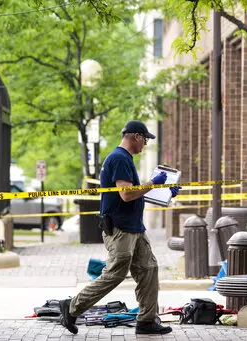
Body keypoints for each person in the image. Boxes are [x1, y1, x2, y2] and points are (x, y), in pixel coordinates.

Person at [59, 120, 181, 335]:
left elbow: (133, 192)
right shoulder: (119, 158)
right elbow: (126, 194)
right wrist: (152, 183)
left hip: (135, 228)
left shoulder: (125, 159)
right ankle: (70, 307)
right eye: (145, 139)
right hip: (121, 229)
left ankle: (147, 321)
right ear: (136, 136)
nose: (145, 144)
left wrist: (164, 193)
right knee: (115, 274)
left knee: (149, 270)